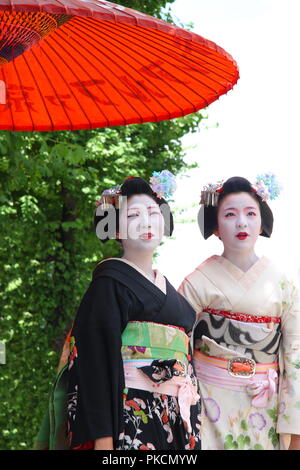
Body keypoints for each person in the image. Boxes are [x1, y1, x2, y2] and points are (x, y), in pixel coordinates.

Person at [36, 172, 201, 451]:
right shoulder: (109, 283)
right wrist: (103, 440)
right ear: (115, 229)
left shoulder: (171, 292)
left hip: (177, 413)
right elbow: (94, 364)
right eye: (134, 215)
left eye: (152, 212)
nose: (146, 221)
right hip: (128, 415)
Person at [178, 175, 300, 450]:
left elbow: (296, 354)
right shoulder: (197, 281)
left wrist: (295, 431)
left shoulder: (284, 282)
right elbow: (177, 347)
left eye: (250, 213)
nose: (241, 222)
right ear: (216, 226)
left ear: (262, 222)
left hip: (264, 405)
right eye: (230, 214)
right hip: (207, 405)